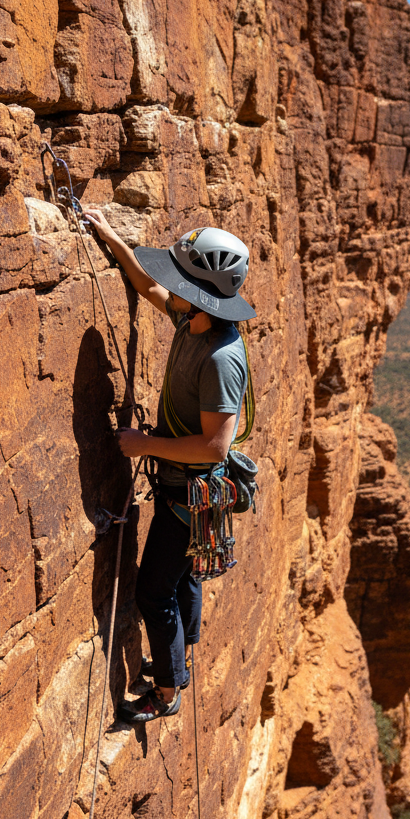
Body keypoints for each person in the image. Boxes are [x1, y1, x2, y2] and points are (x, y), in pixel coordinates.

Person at [83, 208, 256, 724]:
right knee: (183, 581)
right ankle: (184, 655)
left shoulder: (222, 356)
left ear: (201, 292)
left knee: (155, 593)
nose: (170, 285)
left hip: (190, 495)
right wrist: (113, 239)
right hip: (182, 489)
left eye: (180, 279)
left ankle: (167, 689)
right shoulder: (192, 319)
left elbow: (214, 448)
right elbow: (147, 286)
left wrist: (143, 445)